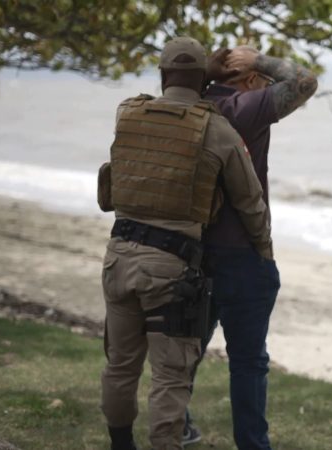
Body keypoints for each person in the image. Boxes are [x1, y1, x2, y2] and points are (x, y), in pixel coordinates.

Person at [97, 37, 272, 450]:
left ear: (162, 74)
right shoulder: (216, 128)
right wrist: (263, 252)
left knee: (120, 365)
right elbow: (250, 202)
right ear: (203, 79)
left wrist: (194, 73)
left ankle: (121, 444)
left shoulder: (127, 112)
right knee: (170, 376)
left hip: (118, 256)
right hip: (171, 267)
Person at [183, 45, 318, 449]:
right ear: (251, 80)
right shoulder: (245, 107)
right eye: (261, 79)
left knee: (187, 349)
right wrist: (258, 60)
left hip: (192, 249)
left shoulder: (193, 107)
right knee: (248, 361)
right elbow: (304, 81)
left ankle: (177, 423)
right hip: (241, 251)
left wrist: (212, 69)